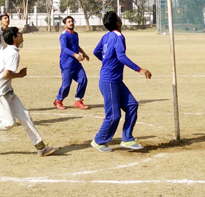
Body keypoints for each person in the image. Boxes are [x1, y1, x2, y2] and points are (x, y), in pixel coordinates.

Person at [0, 27, 60, 157]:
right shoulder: (13, 53)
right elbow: (7, 74)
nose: (21, 35)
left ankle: (41, 147)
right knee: (8, 123)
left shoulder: (6, 50)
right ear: (14, 38)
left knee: (26, 116)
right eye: (19, 33)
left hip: (8, 92)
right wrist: (20, 75)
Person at [91, 11, 152, 152]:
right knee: (114, 115)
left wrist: (106, 61)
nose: (121, 20)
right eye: (119, 18)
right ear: (118, 22)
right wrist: (139, 69)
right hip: (109, 81)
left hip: (116, 80)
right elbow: (121, 57)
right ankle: (99, 141)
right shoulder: (119, 36)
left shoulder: (105, 36)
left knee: (132, 105)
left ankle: (127, 139)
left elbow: (96, 52)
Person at [54, 16, 90, 110]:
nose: (71, 23)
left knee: (83, 80)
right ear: (65, 24)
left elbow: (76, 46)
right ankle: (58, 100)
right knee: (66, 85)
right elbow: (64, 48)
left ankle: (78, 100)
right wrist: (75, 55)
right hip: (66, 64)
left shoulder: (75, 34)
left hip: (76, 64)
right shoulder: (64, 35)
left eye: (72, 21)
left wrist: (84, 53)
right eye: (69, 22)